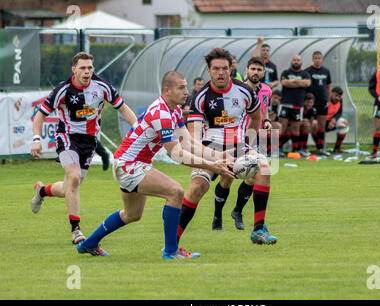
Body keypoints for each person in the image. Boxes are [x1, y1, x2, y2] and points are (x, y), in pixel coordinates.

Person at [76, 71, 235, 258]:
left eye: (185, 87)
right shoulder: (162, 114)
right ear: (167, 90)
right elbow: (177, 154)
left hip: (128, 163)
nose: (186, 91)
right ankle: (171, 251)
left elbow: (188, 142)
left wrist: (216, 155)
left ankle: (88, 244)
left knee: (132, 214)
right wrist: (211, 166)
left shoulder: (173, 110)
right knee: (175, 192)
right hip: (130, 165)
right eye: (181, 87)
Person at [30, 52, 138, 245]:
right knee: (74, 177)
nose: (87, 72)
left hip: (89, 141)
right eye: (82, 68)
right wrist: (36, 139)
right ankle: (76, 230)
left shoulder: (102, 87)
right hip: (67, 137)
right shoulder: (63, 90)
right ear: (74, 69)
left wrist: (138, 130)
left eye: (90, 68)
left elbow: (123, 108)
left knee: (69, 187)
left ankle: (42, 191)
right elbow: (40, 115)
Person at [177, 47, 278, 246]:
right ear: (209, 70)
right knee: (197, 187)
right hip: (210, 148)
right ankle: (174, 239)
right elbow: (193, 137)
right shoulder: (200, 97)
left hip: (238, 146)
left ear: (231, 69)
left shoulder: (245, 91)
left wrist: (247, 144)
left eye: (225, 68)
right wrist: (212, 156)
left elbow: (256, 116)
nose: (221, 72)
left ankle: (259, 229)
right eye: (216, 68)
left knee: (264, 168)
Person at [228, 56, 273, 230]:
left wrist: (267, 121)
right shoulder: (238, 89)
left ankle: (240, 213)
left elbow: (265, 110)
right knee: (231, 176)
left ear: (263, 72)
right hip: (238, 138)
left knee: (255, 176)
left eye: (259, 69)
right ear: (246, 70)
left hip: (255, 138)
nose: (255, 72)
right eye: (252, 69)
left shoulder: (266, 91)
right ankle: (240, 214)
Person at [278, 55, 311, 155]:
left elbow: (307, 83)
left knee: (295, 128)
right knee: (282, 127)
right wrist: (299, 83)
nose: (296, 62)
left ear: (301, 62)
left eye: (298, 60)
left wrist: (292, 81)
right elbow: (284, 83)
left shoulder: (305, 74)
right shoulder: (286, 72)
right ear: (291, 62)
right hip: (285, 104)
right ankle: (277, 149)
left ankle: (295, 150)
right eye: (294, 60)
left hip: (298, 105)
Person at [305, 51, 332, 156]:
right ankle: (304, 147)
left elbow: (328, 86)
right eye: (315, 58)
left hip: (323, 102)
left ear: (322, 59)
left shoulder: (326, 71)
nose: (317, 60)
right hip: (311, 103)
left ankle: (320, 148)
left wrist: (327, 98)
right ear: (313, 59)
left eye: (319, 58)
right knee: (310, 124)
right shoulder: (308, 71)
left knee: (321, 125)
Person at [312, 87, 349, 153]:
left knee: (344, 123)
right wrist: (315, 119)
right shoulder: (324, 100)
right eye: (336, 95)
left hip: (331, 123)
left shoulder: (340, 101)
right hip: (320, 122)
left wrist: (334, 119)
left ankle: (337, 148)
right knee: (314, 124)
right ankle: (319, 148)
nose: (337, 98)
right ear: (331, 93)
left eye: (339, 96)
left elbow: (339, 113)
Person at [298, 93, 316, 157]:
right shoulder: (300, 109)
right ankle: (298, 148)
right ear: (304, 102)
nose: (309, 104)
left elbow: (311, 122)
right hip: (296, 127)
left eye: (311, 102)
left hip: (305, 127)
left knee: (308, 125)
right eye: (307, 102)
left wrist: (307, 123)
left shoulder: (312, 110)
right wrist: (302, 121)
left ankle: (304, 148)